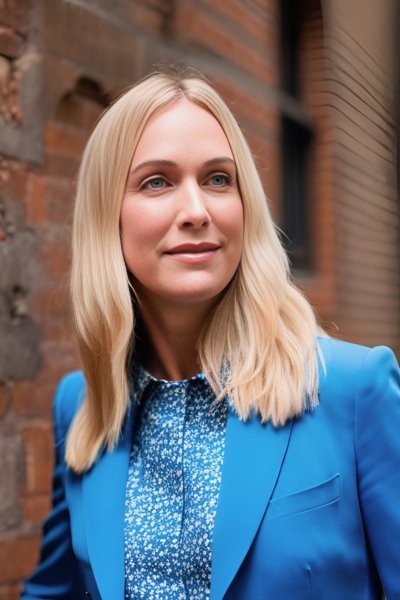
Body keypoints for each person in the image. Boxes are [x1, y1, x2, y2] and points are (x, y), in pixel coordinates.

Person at [22, 63, 400, 600]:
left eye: (219, 179)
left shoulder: (351, 387)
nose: (197, 210)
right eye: (157, 182)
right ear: (109, 216)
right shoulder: (82, 407)